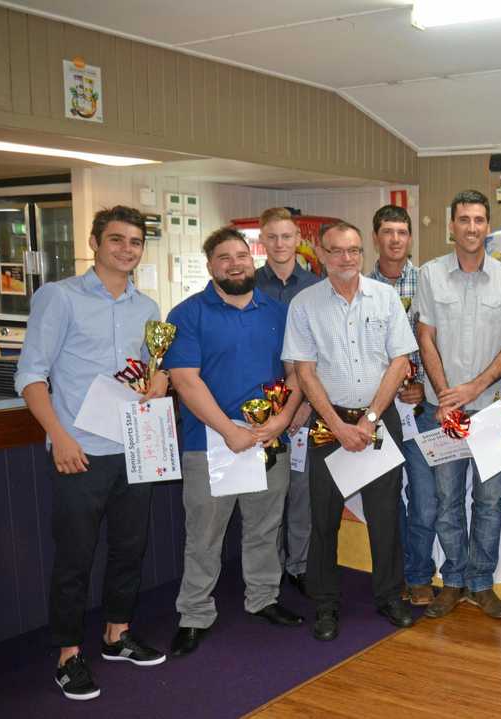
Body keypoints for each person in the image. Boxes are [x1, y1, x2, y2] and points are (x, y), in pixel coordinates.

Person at [16, 206, 170, 700]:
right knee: (75, 558)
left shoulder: (146, 308)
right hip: (79, 451)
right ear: (95, 242)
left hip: (135, 448)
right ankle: (68, 655)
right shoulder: (58, 298)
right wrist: (58, 436)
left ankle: (116, 635)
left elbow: (154, 369)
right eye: (117, 240)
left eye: (135, 242)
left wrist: (157, 387)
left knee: (130, 548)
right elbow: (31, 375)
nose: (127, 249)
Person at [164, 227, 307, 658]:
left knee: (265, 527)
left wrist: (281, 420)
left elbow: (296, 373)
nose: (234, 263)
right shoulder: (187, 314)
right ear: (210, 267)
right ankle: (194, 614)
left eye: (240, 255)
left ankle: (262, 598)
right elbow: (185, 381)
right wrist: (229, 431)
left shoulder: (278, 312)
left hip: (267, 440)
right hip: (208, 442)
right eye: (223, 258)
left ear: (252, 259)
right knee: (204, 534)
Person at [282, 221, 419, 640]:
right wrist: (339, 425)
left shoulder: (385, 298)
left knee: (385, 516)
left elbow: (399, 362)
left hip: (379, 419)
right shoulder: (304, 304)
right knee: (323, 520)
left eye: (355, 250)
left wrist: (370, 419)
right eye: (338, 251)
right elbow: (304, 371)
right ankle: (325, 604)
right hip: (329, 424)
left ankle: (390, 595)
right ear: (321, 255)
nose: (348, 258)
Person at [413, 190, 501, 620]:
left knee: (489, 501)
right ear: (451, 226)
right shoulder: (430, 274)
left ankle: (482, 584)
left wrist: (473, 386)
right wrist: (445, 395)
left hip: (493, 411)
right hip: (444, 411)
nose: (472, 228)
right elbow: (426, 337)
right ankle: (454, 580)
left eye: (479, 220)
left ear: (488, 225)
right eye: (464, 220)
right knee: (446, 500)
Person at [366, 204, 437, 608]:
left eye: (402, 232)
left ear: (411, 238)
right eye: (387, 231)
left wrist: (424, 388)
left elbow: (435, 342)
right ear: (376, 236)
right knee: (384, 500)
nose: (395, 239)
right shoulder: (358, 285)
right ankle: (390, 579)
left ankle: (419, 575)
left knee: (425, 498)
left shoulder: (426, 281)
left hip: (418, 408)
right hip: (376, 410)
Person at [254, 207, 321, 597]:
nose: (280, 244)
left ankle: (299, 565)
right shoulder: (246, 285)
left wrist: (306, 404)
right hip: (259, 408)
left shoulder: (316, 287)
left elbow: (325, 352)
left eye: (287, 236)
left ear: (299, 239)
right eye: (272, 237)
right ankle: (269, 570)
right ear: (263, 241)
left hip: (306, 408)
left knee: (301, 492)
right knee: (265, 496)